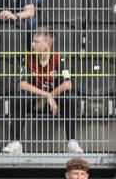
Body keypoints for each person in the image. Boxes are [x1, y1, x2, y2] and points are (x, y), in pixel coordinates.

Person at [5, 27, 82, 155]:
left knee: (70, 97)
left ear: (47, 44)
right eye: (32, 42)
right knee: (19, 97)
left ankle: (72, 141)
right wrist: (46, 95)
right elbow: (22, 85)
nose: (32, 45)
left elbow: (68, 84)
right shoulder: (28, 58)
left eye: (36, 42)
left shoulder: (59, 58)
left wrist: (51, 96)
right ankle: (15, 142)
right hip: (34, 101)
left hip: (55, 104)